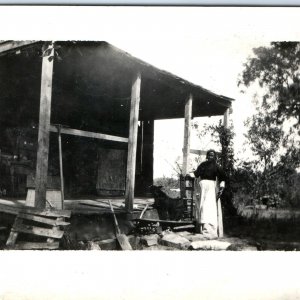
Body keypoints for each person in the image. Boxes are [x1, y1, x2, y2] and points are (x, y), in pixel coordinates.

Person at [190, 149, 226, 238]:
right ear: (207, 156)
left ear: (214, 157)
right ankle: (202, 228)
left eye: (212, 155)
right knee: (202, 205)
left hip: (211, 187)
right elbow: (196, 174)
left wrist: (221, 186)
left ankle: (211, 230)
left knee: (210, 206)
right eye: (209, 155)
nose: (210, 157)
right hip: (202, 186)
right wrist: (189, 174)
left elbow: (222, 177)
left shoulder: (217, 166)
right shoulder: (202, 165)